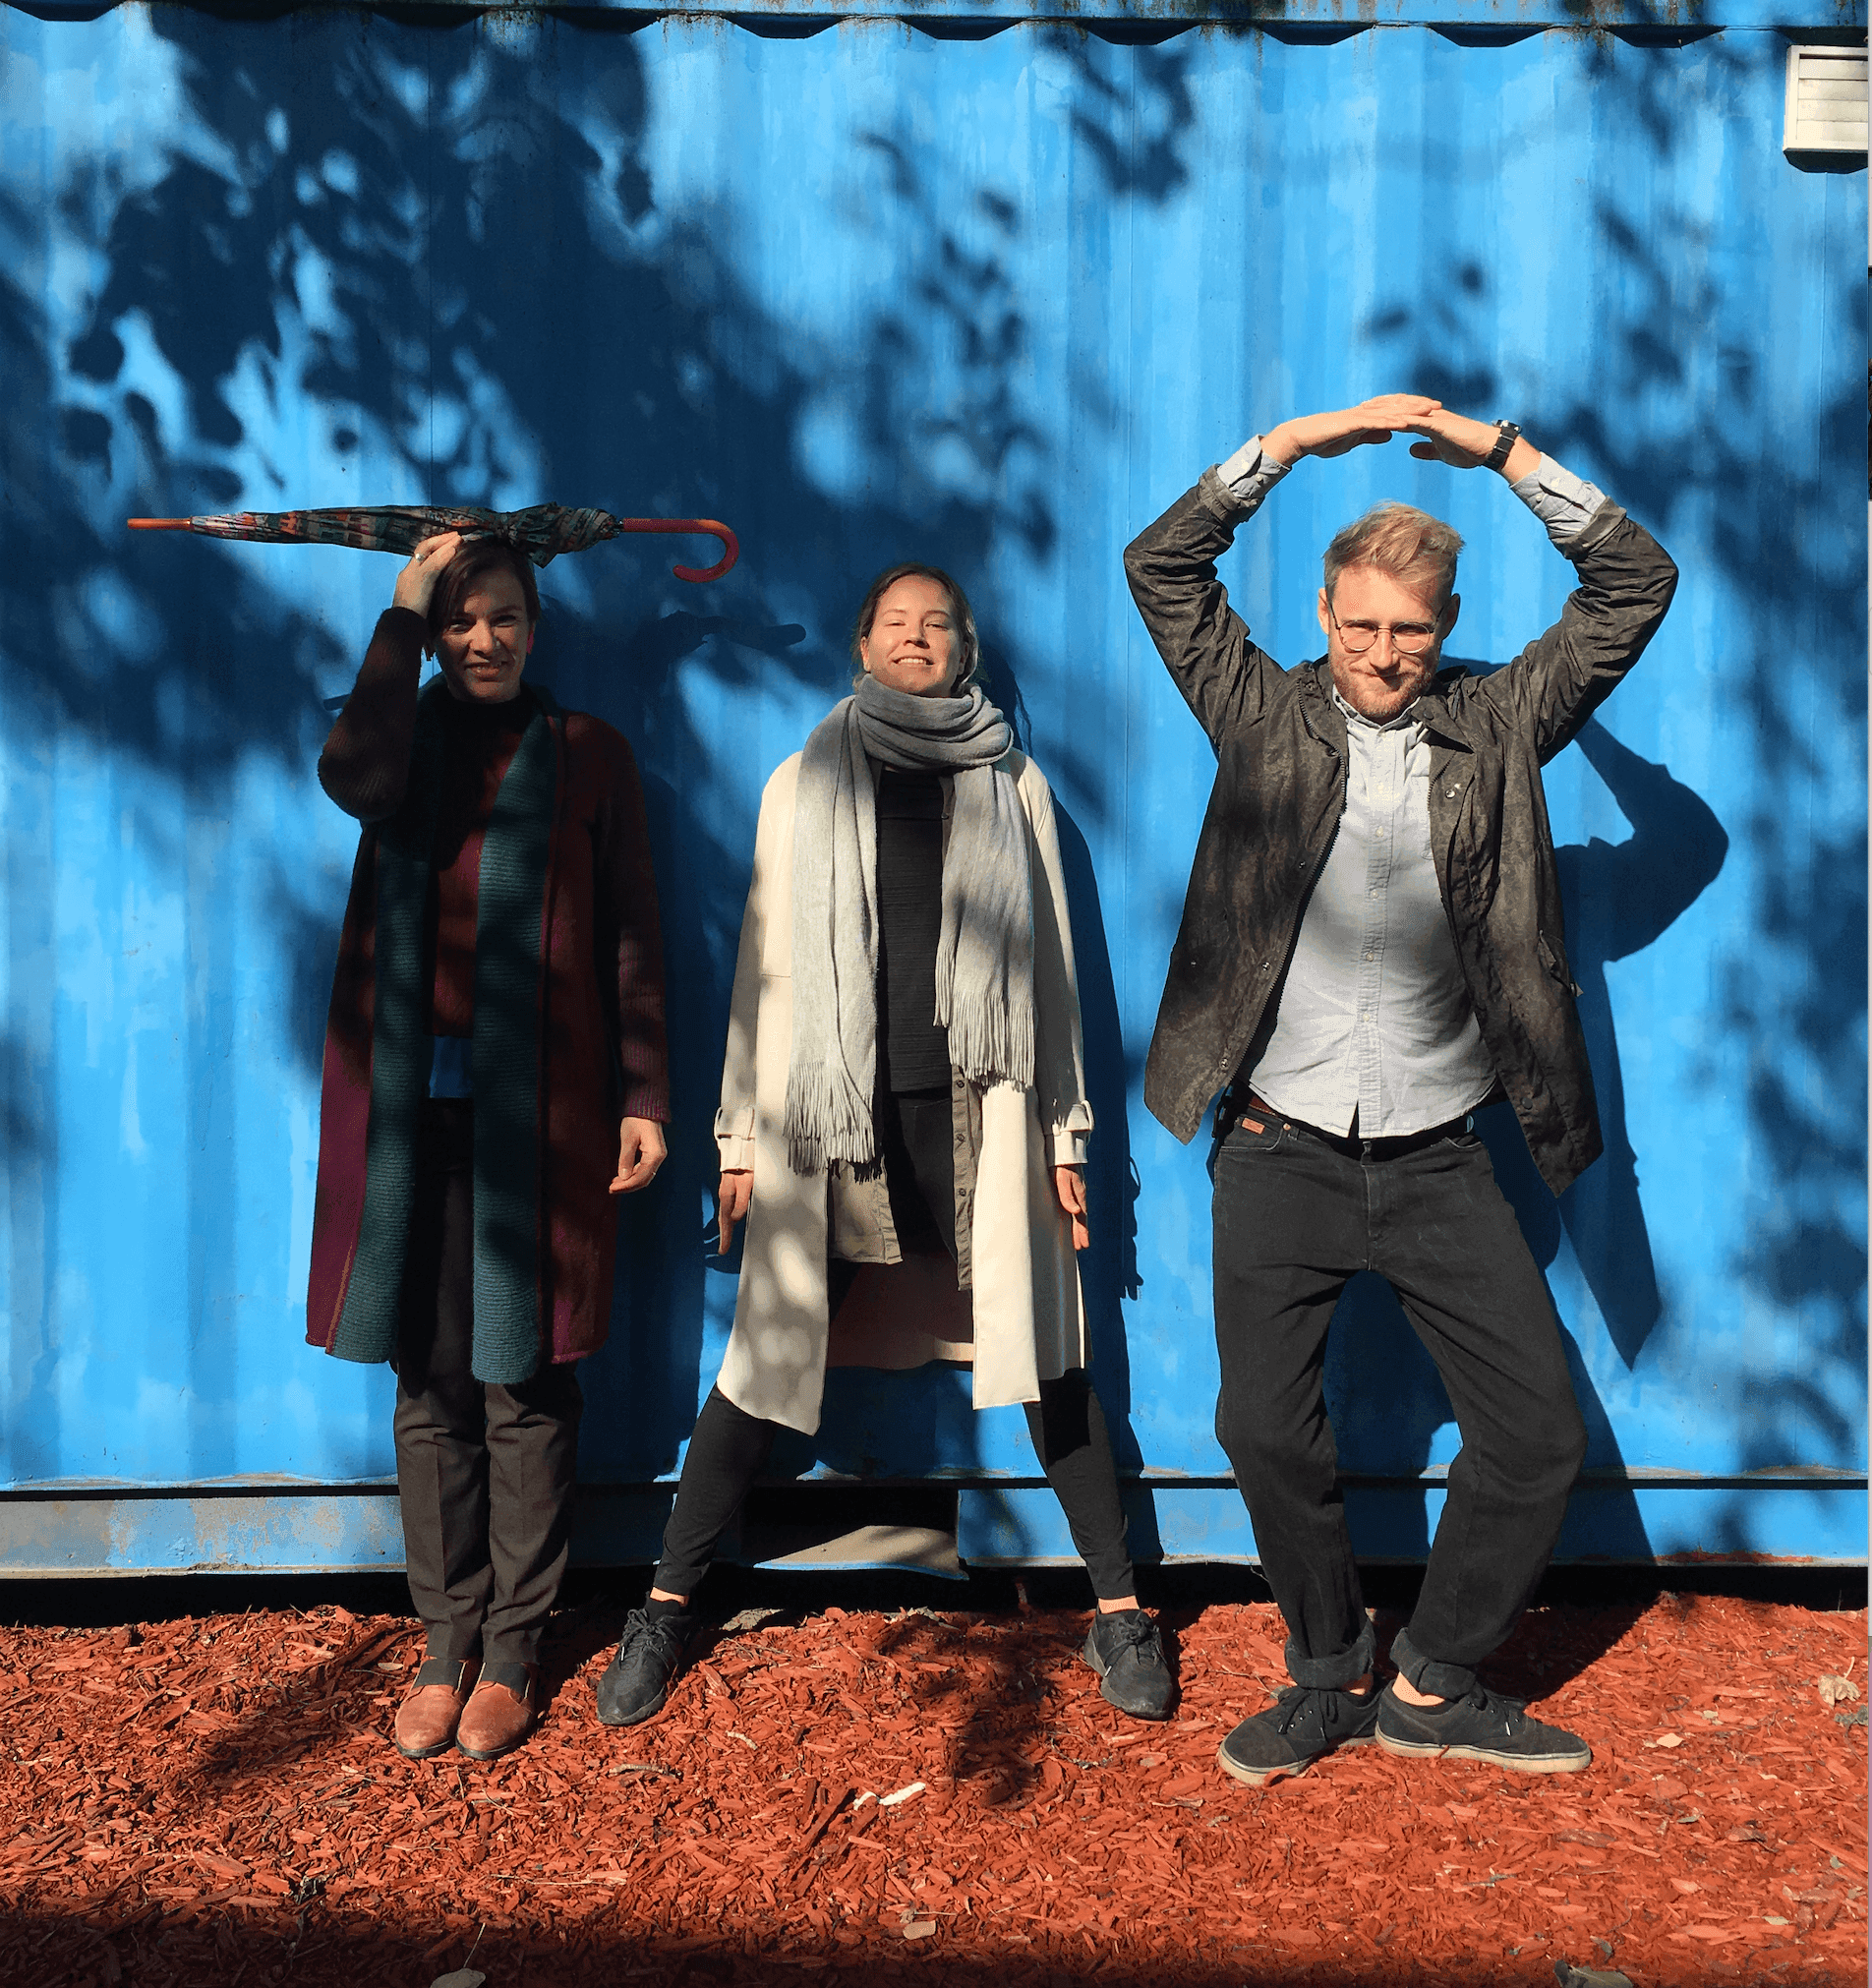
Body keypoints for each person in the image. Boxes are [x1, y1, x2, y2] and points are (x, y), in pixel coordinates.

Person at [1124, 395, 1677, 1784]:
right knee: (1261, 1426)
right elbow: (1162, 567)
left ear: (1447, 628)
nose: (1381, 654)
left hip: (1438, 1155)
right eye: (1359, 625)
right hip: (1278, 1144)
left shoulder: (1498, 723)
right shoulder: (1260, 710)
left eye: (1411, 631)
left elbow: (1632, 582)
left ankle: (1433, 1680)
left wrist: (1502, 454)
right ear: (1322, 613)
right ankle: (1327, 1669)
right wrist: (1295, 443)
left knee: (1535, 1435)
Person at [594, 563, 1174, 1728]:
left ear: (964, 648)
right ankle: (662, 1605)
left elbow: (1052, 976)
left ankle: (1119, 1609)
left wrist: (1064, 1137)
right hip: (833, 1118)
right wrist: (738, 1138)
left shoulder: (1013, 783)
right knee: (760, 1362)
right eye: (895, 623)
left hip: (981, 1111)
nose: (917, 638)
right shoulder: (802, 780)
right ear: (862, 645)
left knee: (1047, 1360)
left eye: (937, 623)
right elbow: (763, 967)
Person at [308, 530, 671, 1762]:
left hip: (544, 1115)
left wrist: (644, 1093)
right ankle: (441, 1640)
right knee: (430, 1379)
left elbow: (630, 932)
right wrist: (399, 609)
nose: (482, 640)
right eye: (459, 621)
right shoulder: (401, 744)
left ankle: (512, 1647)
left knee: (526, 1378)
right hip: (409, 1114)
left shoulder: (588, 754)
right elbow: (351, 776)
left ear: (534, 626)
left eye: (503, 617)